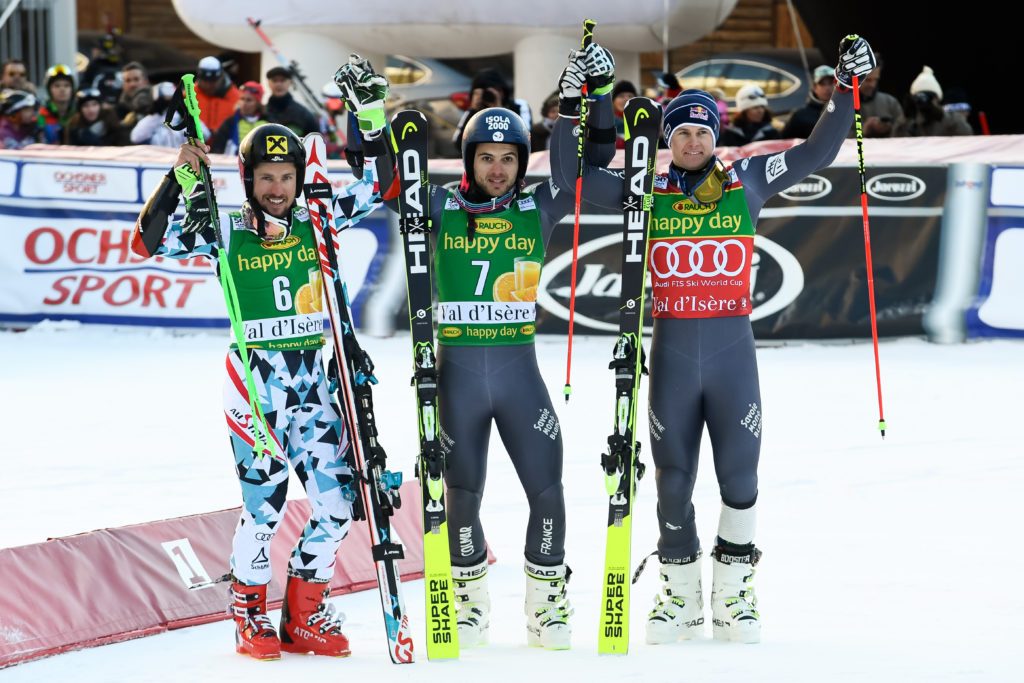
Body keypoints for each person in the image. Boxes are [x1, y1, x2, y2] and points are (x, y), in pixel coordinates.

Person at [552, 35, 878, 646]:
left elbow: (819, 150)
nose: (692, 142)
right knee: (673, 478)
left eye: (701, 132)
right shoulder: (645, 190)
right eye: (681, 133)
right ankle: (679, 594)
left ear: (716, 136)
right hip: (673, 354)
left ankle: (734, 594)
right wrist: (579, 101)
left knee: (739, 478)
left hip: (732, 355)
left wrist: (845, 88)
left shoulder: (746, 179)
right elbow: (573, 178)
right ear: (667, 140)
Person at [335, 47, 616, 650]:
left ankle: (546, 604)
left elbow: (582, 168)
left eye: (509, 158)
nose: (497, 168)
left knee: (548, 490)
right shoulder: (440, 203)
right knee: (459, 495)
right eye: (486, 157)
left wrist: (586, 99)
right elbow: (386, 182)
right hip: (457, 375)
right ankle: (469, 603)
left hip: (519, 375)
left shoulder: (540, 203)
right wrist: (368, 119)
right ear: (467, 158)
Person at [130, 122, 383, 661]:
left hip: (314, 387)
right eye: (266, 177)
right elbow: (145, 241)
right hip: (256, 388)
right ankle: (249, 615)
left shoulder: (319, 219)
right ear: (248, 179)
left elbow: (382, 184)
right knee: (265, 507)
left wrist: (370, 120)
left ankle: (303, 614)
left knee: (338, 504)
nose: (277, 188)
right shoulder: (222, 229)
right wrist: (178, 179)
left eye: (287, 176)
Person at [451, 67, 533, 152]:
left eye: (492, 91)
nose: (487, 95)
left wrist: (500, 111)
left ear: (502, 91)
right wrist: (473, 112)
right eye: (480, 93)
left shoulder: (519, 105)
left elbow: (525, 137)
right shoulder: (474, 112)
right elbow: (458, 143)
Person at [130, 82, 212, 147]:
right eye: (164, 101)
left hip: (182, 161)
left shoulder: (182, 120)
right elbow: (136, 137)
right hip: (159, 161)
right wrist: (156, 114)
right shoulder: (152, 122)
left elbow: (205, 134)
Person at [897, 66, 972, 136]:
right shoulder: (908, 122)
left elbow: (967, 133)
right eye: (919, 99)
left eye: (928, 97)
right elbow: (895, 139)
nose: (924, 103)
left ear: (936, 100)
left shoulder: (950, 120)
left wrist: (941, 115)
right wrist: (906, 118)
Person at [846, 54, 904, 138]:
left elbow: (905, 133)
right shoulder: (842, 105)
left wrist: (889, 130)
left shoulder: (891, 103)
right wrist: (862, 131)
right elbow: (833, 137)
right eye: (868, 80)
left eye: (876, 80)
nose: (872, 85)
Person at [210, 81, 269, 155]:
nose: (244, 104)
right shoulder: (230, 123)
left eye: (249, 100)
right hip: (233, 161)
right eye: (242, 99)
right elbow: (217, 149)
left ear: (258, 103)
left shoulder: (268, 123)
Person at [781, 64, 836, 139]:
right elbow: (784, 141)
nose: (827, 88)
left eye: (831, 82)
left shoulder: (847, 111)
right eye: (822, 84)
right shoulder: (800, 116)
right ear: (814, 87)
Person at [264, 66, 318, 137]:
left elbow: (315, 139)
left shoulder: (303, 113)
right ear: (268, 83)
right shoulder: (262, 113)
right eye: (274, 80)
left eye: (282, 80)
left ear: (290, 82)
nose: (278, 84)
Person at [194, 56, 240, 132]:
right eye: (205, 81)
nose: (208, 86)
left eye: (213, 81)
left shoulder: (236, 98)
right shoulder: (189, 95)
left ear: (221, 77)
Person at [38, 64, 76, 144]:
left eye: (66, 85)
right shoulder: (41, 115)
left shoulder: (78, 113)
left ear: (72, 89)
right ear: (49, 90)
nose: (62, 89)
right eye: (57, 86)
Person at [116, 61, 152, 141]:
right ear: (123, 85)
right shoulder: (119, 109)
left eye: (136, 79)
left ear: (146, 81)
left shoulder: (158, 103)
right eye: (128, 80)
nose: (132, 84)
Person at [611, 79, 638, 148]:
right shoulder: (605, 123)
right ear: (613, 101)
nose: (626, 99)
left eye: (630, 96)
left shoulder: (643, 123)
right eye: (621, 96)